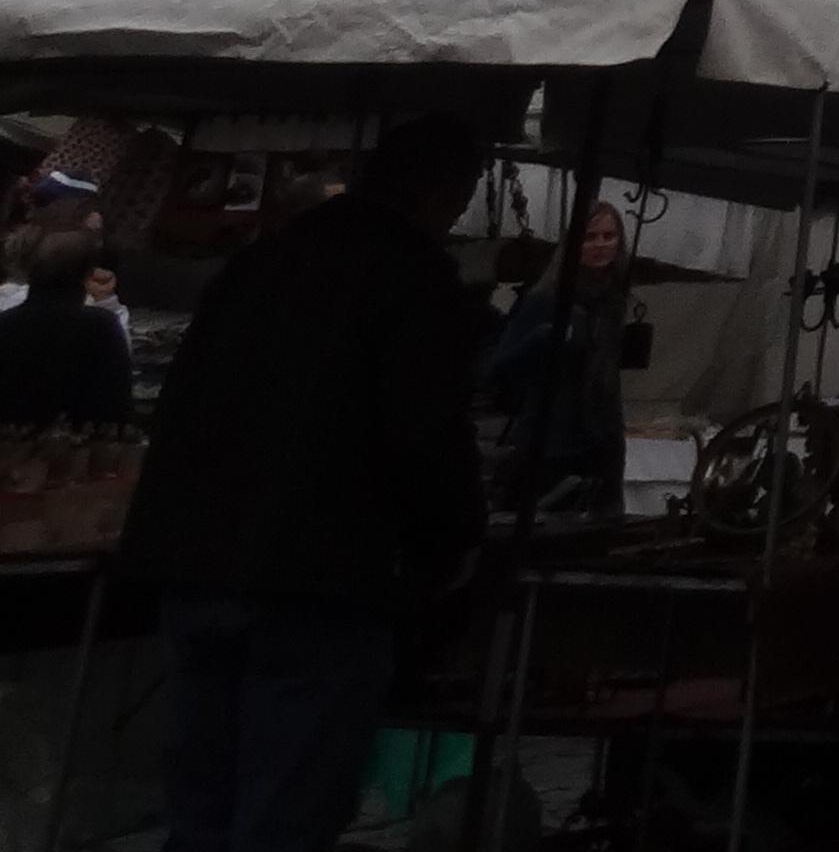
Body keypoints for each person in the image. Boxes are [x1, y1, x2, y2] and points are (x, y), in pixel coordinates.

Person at [115, 111, 492, 852]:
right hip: (317, 578)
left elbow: (182, 404)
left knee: (201, 807)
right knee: (283, 814)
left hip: (199, 564)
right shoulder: (411, 274)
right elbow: (423, 432)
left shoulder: (262, 261)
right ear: (444, 190)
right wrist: (455, 540)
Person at [478, 197, 636, 515]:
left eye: (608, 236)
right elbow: (499, 367)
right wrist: (543, 338)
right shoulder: (547, 299)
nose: (600, 245)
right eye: (590, 237)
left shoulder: (612, 300)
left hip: (601, 439)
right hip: (549, 444)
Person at [0, 222, 135, 428]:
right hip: (75, 445)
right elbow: (116, 398)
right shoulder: (101, 326)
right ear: (85, 276)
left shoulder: (6, 322)